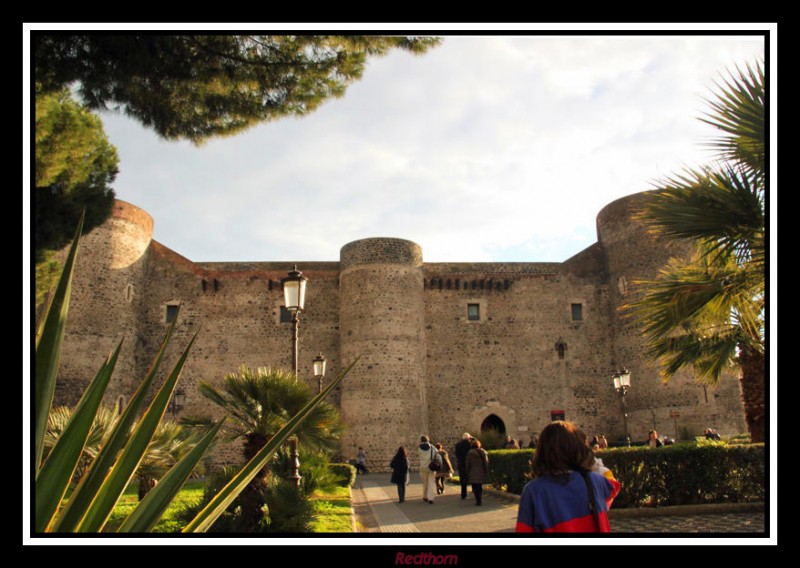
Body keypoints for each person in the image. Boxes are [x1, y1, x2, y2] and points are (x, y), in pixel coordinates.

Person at [516, 421, 621, 533]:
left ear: (542, 451)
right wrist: (597, 467)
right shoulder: (594, 480)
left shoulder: (534, 491)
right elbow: (613, 487)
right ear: (575, 448)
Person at [464, 438, 490, 506]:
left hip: (472, 472)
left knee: (475, 486)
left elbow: (467, 463)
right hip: (481, 471)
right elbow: (486, 462)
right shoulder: (483, 452)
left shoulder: (470, 453)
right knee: (479, 486)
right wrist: (486, 470)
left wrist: (467, 471)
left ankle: (477, 499)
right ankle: (480, 499)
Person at [418, 435, 438, 504]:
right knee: (431, 483)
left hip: (423, 467)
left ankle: (425, 496)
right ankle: (431, 497)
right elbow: (437, 454)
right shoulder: (432, 448)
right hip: (431, 467)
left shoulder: (419, 448)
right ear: (428, 440)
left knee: (425, 483)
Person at [454, 433, 472, 500]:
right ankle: (474, 492)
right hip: (469, 463)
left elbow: (456, 453)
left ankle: (463, 494)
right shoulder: (469, 444)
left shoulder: (458, 444)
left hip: (461, 463)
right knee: (471, 478)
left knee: (462, 480)